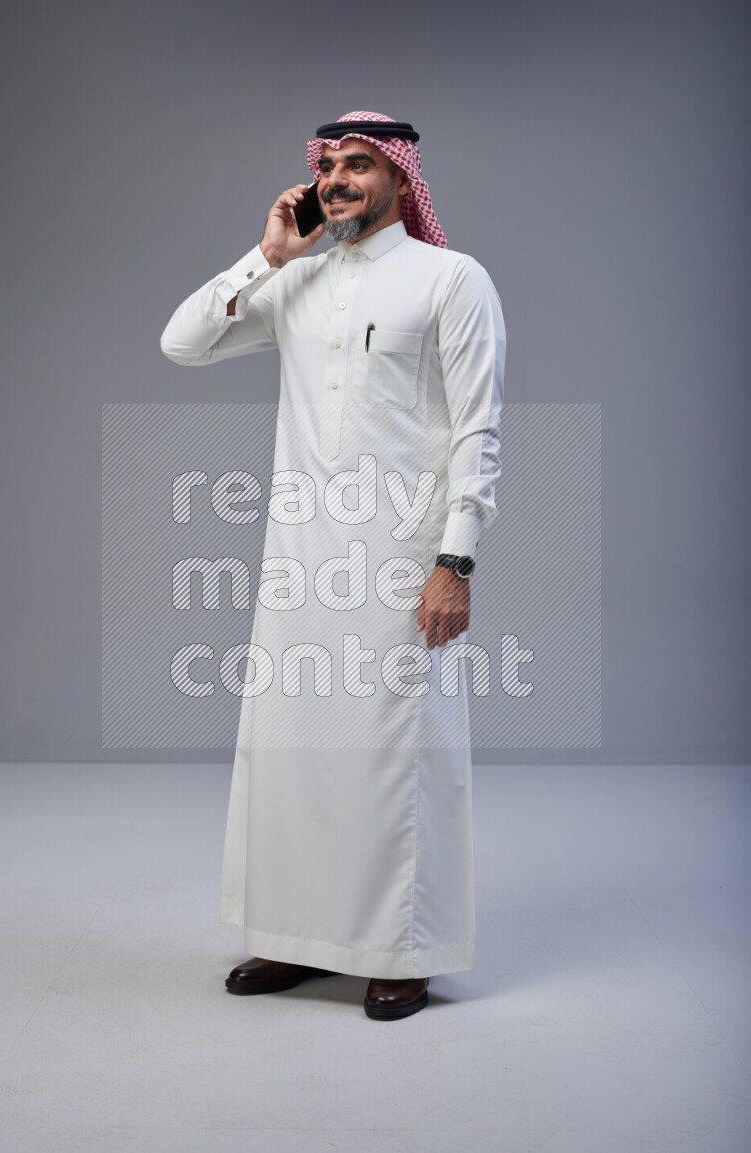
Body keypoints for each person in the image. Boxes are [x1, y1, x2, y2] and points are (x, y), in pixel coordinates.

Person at [160, 111, 506, 1021]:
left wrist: (455, 560)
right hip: (298, 562)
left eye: (361, 163)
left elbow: (477, 429)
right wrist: (265, 257)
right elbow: (182, 342)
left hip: (400, 559)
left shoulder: (451, 279)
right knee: (293, 753)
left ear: (400, 177)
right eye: (329, 165)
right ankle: (293, 937)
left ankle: (402, 948)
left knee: (396, 756)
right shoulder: (298, 281)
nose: (342, 179)